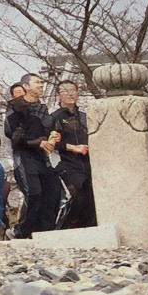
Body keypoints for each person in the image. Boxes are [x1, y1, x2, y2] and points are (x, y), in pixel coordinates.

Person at [7, 73, 61, 237]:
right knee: (33, 192)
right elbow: (14, 135)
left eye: (42, 83)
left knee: (53, 193)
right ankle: (20, 232)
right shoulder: (15, 106)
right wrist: (38, 142)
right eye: (37, 82)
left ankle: (46, 233)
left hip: (43, 157)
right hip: (24, 156)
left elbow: (50, 128)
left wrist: (54, 136)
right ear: (26, 86)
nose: (41, 85)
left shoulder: (43, 108)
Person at [50, 81, 95, 229]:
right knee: (78, 194)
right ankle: (64, 227)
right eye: (65, 91)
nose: (70, 94)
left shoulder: (85, 117)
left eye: (73, 91)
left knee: (91, 196)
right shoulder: (54, 118)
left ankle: (89, 228)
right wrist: (74, 148)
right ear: (59, 96)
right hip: (65, 163)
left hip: (87, 163)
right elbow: (51, 144)